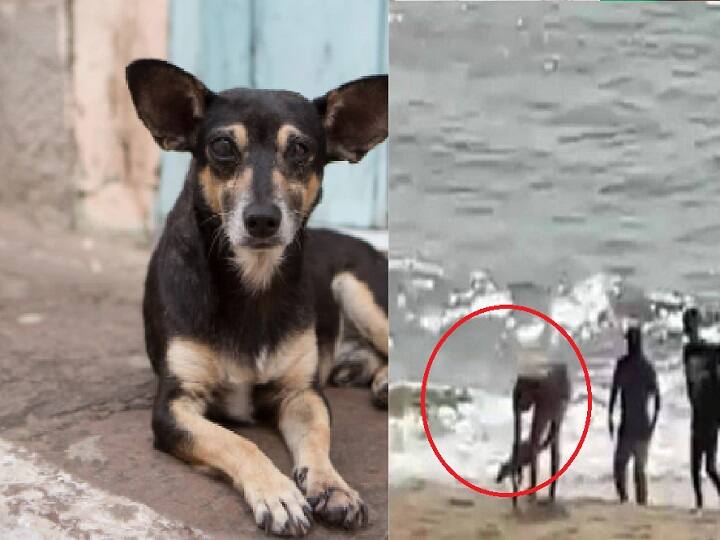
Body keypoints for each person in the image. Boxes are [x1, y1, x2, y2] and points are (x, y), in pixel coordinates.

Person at [608, 326, 661, 505]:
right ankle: (635, 502)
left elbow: (615, 392)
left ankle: (630, 500)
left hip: (632, 424)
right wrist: (653, 424)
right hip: (638, 424)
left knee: (625, 467)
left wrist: (609, 415)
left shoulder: (626, 365)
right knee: (632, 468)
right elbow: (657, 400)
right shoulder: (645, 367)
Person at [682, 308, 720, 511]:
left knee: (710, 467)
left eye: (690, 325)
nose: (688, 329)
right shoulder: (688, 351)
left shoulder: (711, 351)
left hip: (711, 412)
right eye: (687, 326)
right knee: (695, 466)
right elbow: (689, 381)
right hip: (697, 412)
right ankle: (699, 503)